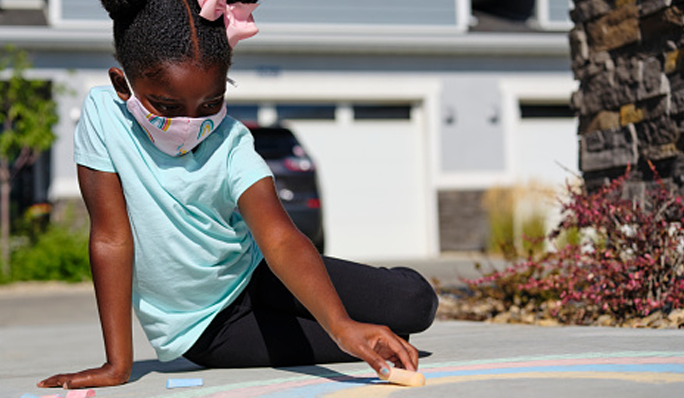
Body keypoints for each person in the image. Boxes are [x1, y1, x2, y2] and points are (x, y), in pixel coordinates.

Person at [38, 0, 438, 389]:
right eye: (166, 106)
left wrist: (340, 323)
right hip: (211, 330)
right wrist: (117, 364)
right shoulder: (102, 116)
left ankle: (361, 307)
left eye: (210, 103)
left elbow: (279, 238)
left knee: (414, 304)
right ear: (122, 85)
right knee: (391, 339)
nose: (190, 123)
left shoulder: (230, 141)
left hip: (256, 274)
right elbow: (111, 237)